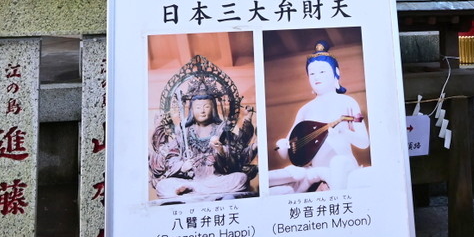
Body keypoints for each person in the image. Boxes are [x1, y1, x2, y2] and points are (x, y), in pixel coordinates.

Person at [267, 40, 368, 194]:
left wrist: (344, 133)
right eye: (312, 73)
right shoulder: (305, 110)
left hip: (343, 166)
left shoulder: (347, 102)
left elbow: (364, 142)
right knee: (289, 180)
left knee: (338, 162)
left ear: (336, 73)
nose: (316, 77)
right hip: (316, 172)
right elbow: (291, 149)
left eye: (322, 72)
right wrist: (282, 146)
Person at [148, 59, 256, 201]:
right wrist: (182, 166)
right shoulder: (184, 133)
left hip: (215, 180)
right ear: (192, 110)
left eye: (207, 107)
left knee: (240, 178)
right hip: (189, 179)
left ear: (213, 110)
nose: (203, 111)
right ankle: (193, 189)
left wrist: (221, 151)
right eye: (198, 107)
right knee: (164, 185)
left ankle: (193, 192)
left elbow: (234, 161)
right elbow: (171, 156)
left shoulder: (222, 130)